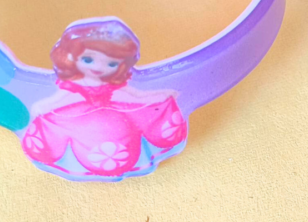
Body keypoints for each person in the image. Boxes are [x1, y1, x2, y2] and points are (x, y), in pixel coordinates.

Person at [21, 19, 187, 178]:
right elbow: (60, 100)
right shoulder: (75, 84)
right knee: (75, 132)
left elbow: (136, 96)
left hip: (117, 116)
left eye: (111, 64)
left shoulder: (114, 85)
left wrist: (159, 96)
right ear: (71, 58)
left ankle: (116, 158)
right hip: (79, 119)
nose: (98, 67)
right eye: (88, 59)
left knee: (123, 131)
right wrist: (44, 106)